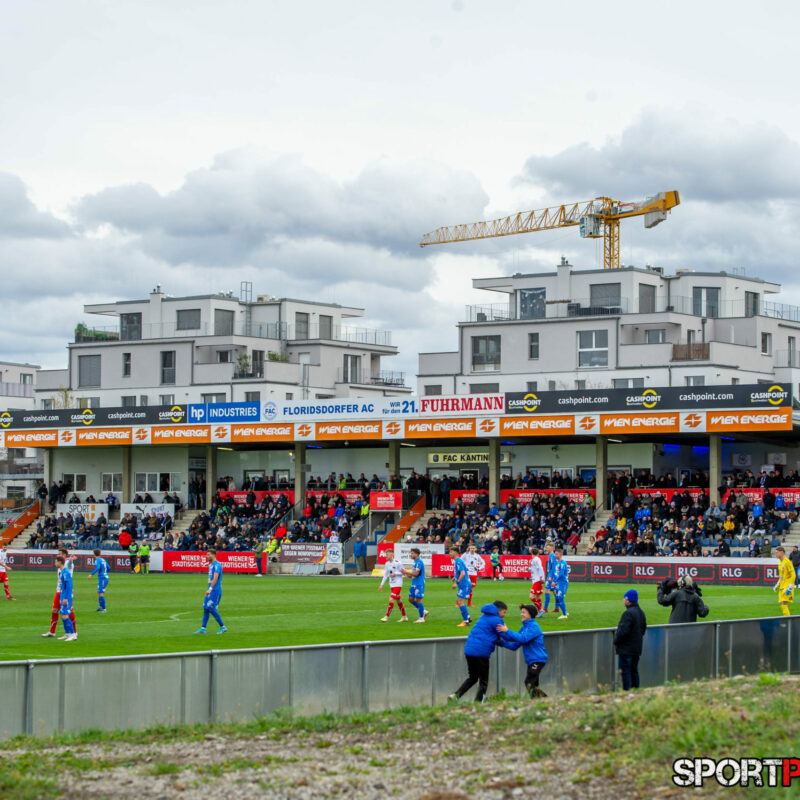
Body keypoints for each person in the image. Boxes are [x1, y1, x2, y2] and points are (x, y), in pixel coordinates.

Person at [449, 601, 508, 703]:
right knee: (483, 681)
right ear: (498, 611)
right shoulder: (497, 620)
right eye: (504, 612)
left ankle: (455, 695)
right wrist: (509, 633)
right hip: (481, 653)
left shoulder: (483, 617)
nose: (505, 615)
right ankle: (478, 703)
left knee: (472, 678)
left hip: (469, 650)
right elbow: (505, 636)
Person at [497, 604, 548, 697]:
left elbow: (523, 638)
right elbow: (514, 645)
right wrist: (500, 641)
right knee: (534, 685)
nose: (521, 614)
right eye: (521, 612)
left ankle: (544, 702)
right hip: (531, 661)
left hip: (538, 660)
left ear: (530, 614)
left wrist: (507, 630)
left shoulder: (534, 627)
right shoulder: (523, 628)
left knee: (529, 682)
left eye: (524, 612)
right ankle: (544, 702)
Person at [614, 589, 647, 690]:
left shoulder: (628, 614)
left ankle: (627, 693)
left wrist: (616, 640)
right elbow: (643, 629)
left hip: (626, 649)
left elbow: (623, 632)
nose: (623, 600)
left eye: (624, 598)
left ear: (628, 600)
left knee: (626, 672)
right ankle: (635, 692)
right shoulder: (641, 612)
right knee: (634, 671)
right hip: (636, 648)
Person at [43, 548, 76, 637]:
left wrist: (71, 559)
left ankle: (74, 632)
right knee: (54, 610)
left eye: (60, 554)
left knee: (69, 612)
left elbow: (69, 563)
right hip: (59, 591)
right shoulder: (60, 565)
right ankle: (52, 632)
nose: (58, 555)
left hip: (67, 592)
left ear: (65, 555)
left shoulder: (68, 565)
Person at [194, 549, 227, 634]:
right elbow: (211, 579)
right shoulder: (211, 565)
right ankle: (203, 628)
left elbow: (215, 578)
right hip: (210, 590)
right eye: (207, 554)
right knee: (206, 608)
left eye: (208, 555)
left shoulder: (217, 565)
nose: (207, 556)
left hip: (215, 590)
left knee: (211, 609)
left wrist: (210, 589)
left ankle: (222, 627)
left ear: (213, 555)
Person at [378, 548, 407, 622]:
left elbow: (404, 572)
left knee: (391, 599)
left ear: (391, 554)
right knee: (398, 600)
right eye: (385, 555)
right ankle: (404, 617)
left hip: (398, 583)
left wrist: (395, 573)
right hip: (392, 584)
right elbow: (385, 575)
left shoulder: (398, 563)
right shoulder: (387, 564)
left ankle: (386, 617)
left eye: (387, 554)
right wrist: (381, 585)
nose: (386, 556)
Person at [55, 555, 77, 641]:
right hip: (63, 595)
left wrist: (66, 598)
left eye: (56, 561)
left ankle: (73, 634)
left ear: (60, 562)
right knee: (62, 615)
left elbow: (69, 586)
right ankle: (67, 634)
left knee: (65, 616)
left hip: (66, 596)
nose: (55, 563)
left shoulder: (66, 572)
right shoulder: (62, 571)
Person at [405, 547, 429, 624]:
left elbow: (416, 573)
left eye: (412, 553)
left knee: (419, 600)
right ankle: (424, 611)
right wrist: (407, 575)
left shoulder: (419, 562)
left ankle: (421, 618)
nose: (411, 555)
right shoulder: (415, 562)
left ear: (416, 554)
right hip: (414, 583)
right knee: (411, 599)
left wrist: (407, 572)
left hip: (419, 584)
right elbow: (413, 574)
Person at [449, 547, 472, 627]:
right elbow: (461, 572)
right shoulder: (457, 561)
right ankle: (468, 617)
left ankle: (466, 622)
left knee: (461, 602)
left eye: (451, 552)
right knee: (458, 601)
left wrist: (456, 583)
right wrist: (454, 578)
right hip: (463, 584)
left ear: (456, 552)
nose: (450, 554)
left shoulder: (458, 561)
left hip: (464, 584)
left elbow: (463, 573)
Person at [774, 546, 796, 617]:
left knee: (784, 603)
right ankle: (786, 619)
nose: (776, 554)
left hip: (787, 586)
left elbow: (793, 574)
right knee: (782, 604)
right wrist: (777, 584)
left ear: (782, 552)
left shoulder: (787, 562)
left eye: (777, 552)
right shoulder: (780, 563)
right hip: (782, 586)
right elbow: (781, 576)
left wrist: (790, 586)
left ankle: (788, 620)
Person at [88, 548, 109, 613]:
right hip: (104, 577)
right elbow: (109, 568)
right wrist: (105, 572)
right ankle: (101, 607)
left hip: (102, 578)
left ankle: (104, 609)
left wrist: (91, 574)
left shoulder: (97, 560)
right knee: (98, 592)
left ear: (94, 554)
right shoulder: (103, 559)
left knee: (100, 593)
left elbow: (97, 567)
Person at [539, 542, 557, 617]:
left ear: (552, 548)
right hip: (552, 576)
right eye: (546, 547)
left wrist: (550, 576)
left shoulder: (552, 556)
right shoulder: (551, 555)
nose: (547, 548)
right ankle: (557, 608)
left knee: (547, 590)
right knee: (555, 591)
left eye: (548, 547)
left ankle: (545, 608)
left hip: (551, 576)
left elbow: (554, 567)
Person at [552, 548, 570, 620]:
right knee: (557, 597)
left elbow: (562, 574)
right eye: (555, 554)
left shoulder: (563, 563)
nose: (555, 555)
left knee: (560, 598)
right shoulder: (558, 563)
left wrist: (555, 581)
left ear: (560, 554)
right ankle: (565, 611)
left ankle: (564, 615)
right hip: (559, 583)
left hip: (563, 583)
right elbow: (557, 573)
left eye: (556, 554)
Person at [528, 548, 544, 614]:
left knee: (531, 596)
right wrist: (529, 569)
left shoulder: (536, 559)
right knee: (538, 596)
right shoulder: (533, 560)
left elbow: (540, 568)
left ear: (531, 552)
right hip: (536, 579)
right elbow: (534, 570)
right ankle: (540, 611)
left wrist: (541, 577)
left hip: (537, 580)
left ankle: (540, 609)